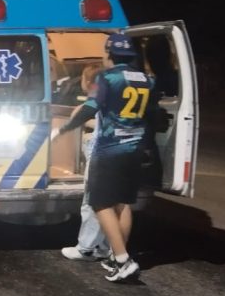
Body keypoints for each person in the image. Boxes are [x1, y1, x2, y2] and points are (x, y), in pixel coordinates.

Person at [53, 34, 155, 283]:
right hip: (134, 148)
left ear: (109, 54)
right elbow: (152, 114)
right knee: (123, 203)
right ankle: (114, 256)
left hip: (110, 148)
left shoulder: (106, 77)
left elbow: (90, 108)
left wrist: (63, 129)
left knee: (100, 203)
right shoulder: (145, 79)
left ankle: (122, 260)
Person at [60, 63, 111, 262]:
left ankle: (86, 248)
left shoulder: (95, 98)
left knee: (92, 200)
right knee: (109, 201)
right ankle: (104, 247)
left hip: (99, 150)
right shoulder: (113, 97)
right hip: (114, 151)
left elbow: (82, 116)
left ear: (88, 82)